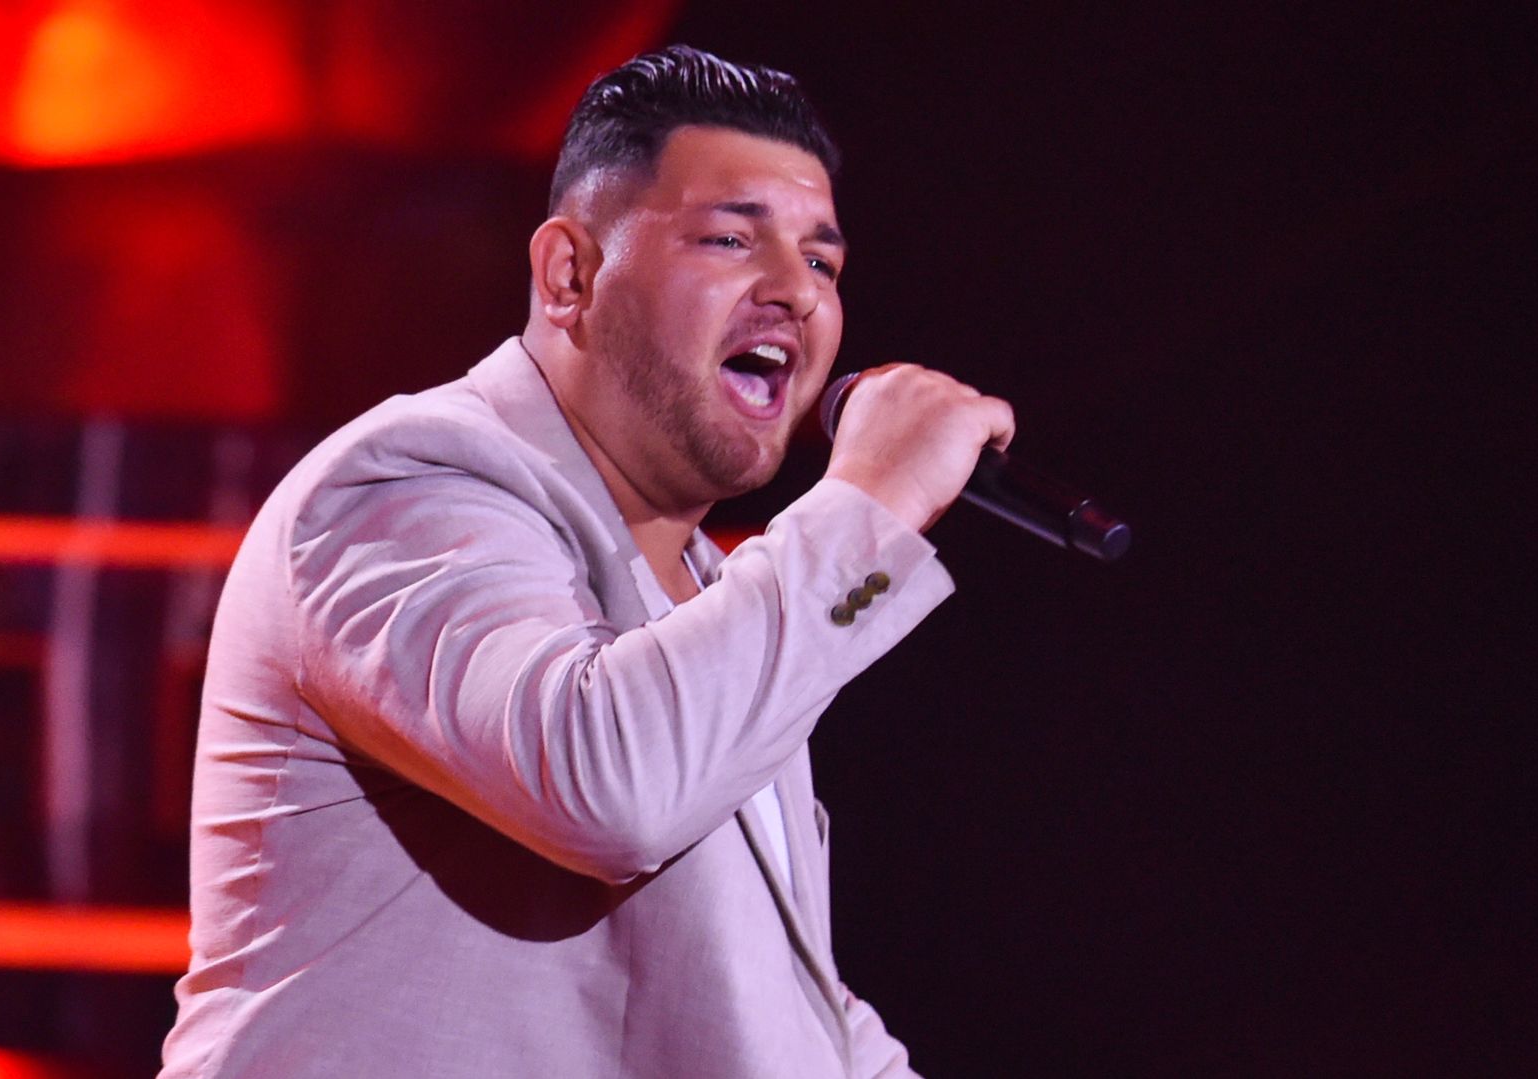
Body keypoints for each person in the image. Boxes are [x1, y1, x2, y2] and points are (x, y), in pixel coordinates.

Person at [159, 44, 1013, 1078]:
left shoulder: (711, 605)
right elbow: (606, 785)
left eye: (822, 262)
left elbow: (782, 1009)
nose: (796, 291)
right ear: (571, 274)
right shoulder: (404, 488)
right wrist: (869, 502)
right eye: (730, 238)